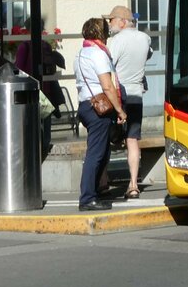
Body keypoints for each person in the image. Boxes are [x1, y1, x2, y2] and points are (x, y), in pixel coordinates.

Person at [74, 16, 127, 211]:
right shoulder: (98, 54)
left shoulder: (81, 53)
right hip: (99, 108)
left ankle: (95, 193)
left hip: (85, 105)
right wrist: (120, 110)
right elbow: (107, 86)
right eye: (106, 31)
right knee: (96, 154)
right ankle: (87, 198)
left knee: (101, 152)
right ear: (101, 33)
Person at [105, 5, 152, 198]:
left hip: (118, 95)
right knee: (133, 139)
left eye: (112, 20)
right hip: (136, 95)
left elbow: (108, 65)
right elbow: (148, 54)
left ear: (123, 21)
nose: (110, 24)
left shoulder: (116, 41)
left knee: (107, 137)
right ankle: (133, 184)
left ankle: (102, 181)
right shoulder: (145, 38)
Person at [15, 26, 67, 155]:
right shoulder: (46, 46)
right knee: (45, 125)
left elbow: (18, 69)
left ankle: (33, 152)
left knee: (30, 124)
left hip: (30, 92)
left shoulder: (24, 47)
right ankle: (43, 149)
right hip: (45, 91)